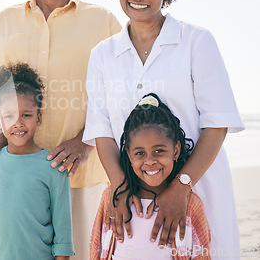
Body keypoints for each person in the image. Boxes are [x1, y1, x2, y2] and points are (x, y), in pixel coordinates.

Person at [83, 0, 244, 258]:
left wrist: (182, 187)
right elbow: (102, 129)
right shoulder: (102, 55)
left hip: (199, 188)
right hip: (132, 201)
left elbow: (217, 123)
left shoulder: (196, 41)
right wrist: (119, 187)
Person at [0, 0, 121, 259]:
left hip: (82, 173)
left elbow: (117, 92)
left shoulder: (103, 21)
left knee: (78, 254)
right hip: (17, 173)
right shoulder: (2, 22)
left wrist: (86, 141)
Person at [0, 63, 75, 259]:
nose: (18, 122)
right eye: (9, 116)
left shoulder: (53, 167)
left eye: (26, 115)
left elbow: (63, 235)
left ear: (38, 118)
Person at [90, 93, 211, 259]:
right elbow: (96, 248)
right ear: (129, 155)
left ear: (175, 150)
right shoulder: (111, 198)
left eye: (159, 151)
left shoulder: (190, 204)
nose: (150, 161)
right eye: (140, 153)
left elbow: (201, 254)